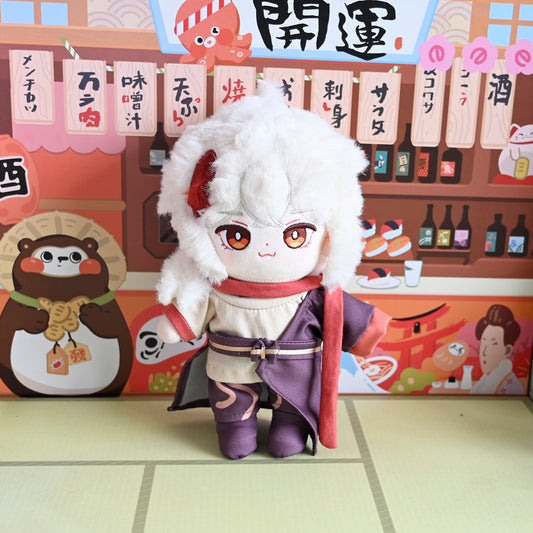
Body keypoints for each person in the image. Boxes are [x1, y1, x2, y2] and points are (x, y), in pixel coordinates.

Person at [156, 82, 390, 459]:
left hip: (296, 376)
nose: (267, 250)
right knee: (233, 423)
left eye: (296, 234)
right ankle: (236, 429)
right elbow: (188, 315)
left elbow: (348, 317)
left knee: (289, 431)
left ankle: (289, 428)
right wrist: (175, 323)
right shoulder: (216, 288)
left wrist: (369, 328)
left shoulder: (313, 294)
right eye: (236, 235)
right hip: (230, 370)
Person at [471, 304, 523, 395]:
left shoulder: (510, 386)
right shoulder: (486, 380)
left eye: (493, 344)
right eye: (484, 342)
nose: (484, 352)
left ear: (507, 350)